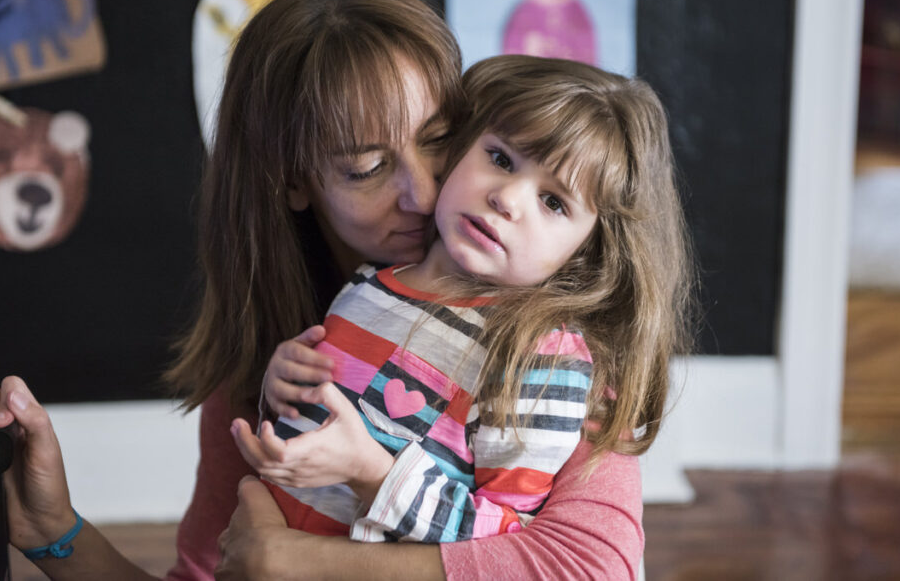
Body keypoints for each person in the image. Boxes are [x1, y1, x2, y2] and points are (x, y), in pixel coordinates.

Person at [0, 0, 688, 580]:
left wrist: (308, 561)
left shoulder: (548, 353)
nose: (424, 195)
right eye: (366, 167)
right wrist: (52, 529)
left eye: (440, 140)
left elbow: (590, 568)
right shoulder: (290, 357)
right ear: (293, 182)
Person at [230, 54, 690, 548]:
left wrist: (373, 475)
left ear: (586, 250)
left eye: (553, 201)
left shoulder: (540, 360)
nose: (507, 198)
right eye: (500, 158)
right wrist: (283, 386)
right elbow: (315, 425)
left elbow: (504, 541)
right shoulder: (370, 283)